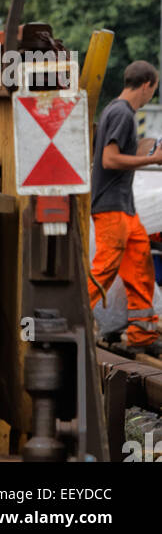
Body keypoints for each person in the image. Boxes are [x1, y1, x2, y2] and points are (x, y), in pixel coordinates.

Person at [88, 60, 162, 357]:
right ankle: (70, 319)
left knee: (141, 269)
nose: (150, 97)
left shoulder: (117, 112)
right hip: (111, 209)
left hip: (125, 208)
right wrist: (153, 160)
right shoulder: (122, 113)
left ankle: (141, 335)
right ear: (147, 85)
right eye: (152, 91)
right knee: (104, 271)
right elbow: (110, 159)